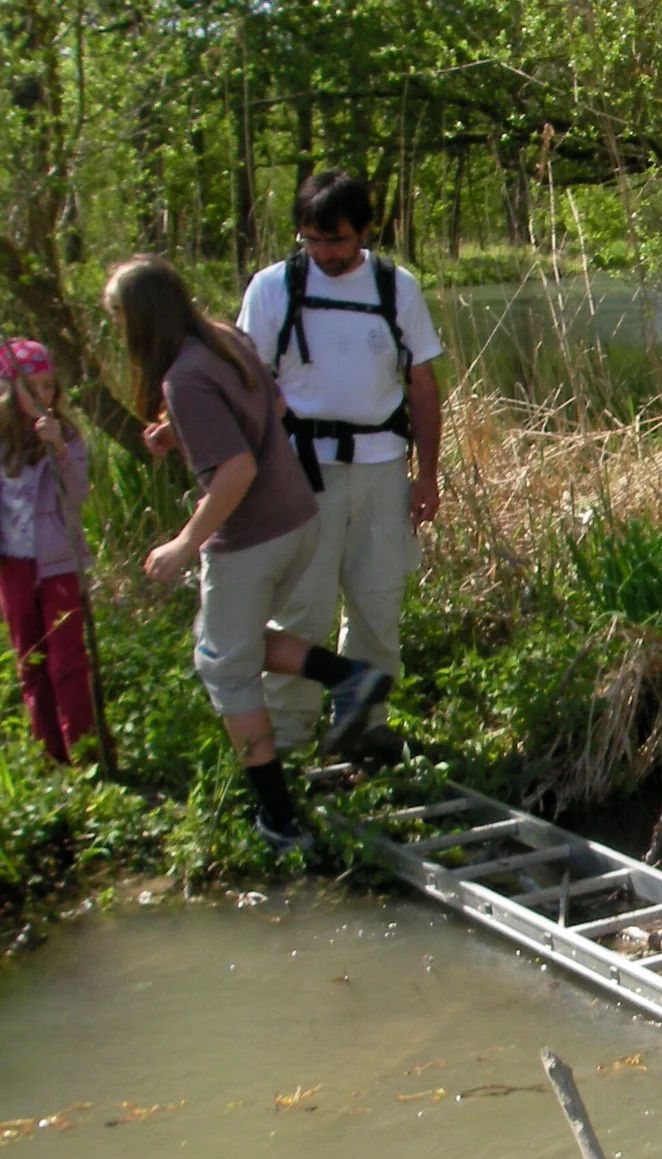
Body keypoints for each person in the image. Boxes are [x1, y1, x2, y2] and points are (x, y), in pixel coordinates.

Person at [103, 255, 393, 853]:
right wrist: (180, 431)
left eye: (117, 320)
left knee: (224, 667)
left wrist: (184, 543)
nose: (117, 333)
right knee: (235, 641)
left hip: (251, 538)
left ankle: (279, 820)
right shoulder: (225, 339)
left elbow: (235, 469)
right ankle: (350, 677)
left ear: (140, 320)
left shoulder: (182, 378)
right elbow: (274, 409)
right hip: (298, 520)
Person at [235, 169, 443, 762]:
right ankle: (290, 736)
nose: (325, 253)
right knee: (302, 606)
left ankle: (364, 728)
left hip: (382, 467)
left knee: (378, 601)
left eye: (337, 240)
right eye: (312, 240)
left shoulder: (396, 287)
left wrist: (428, 476)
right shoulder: (272, 288)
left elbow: (423, 386)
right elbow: (248, 382)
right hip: (300, 473)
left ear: (366, 231)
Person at [0, 338, 96, 764]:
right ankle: (50, 756)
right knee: (30, 661)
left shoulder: (67, 436)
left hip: (58, 563)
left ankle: (88, 756)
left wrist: (58, 449)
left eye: (48, 386)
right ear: (10, 389)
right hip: (13, 566)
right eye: (32, 387)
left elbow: (77, 493)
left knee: (66, 660)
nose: (42, 395)